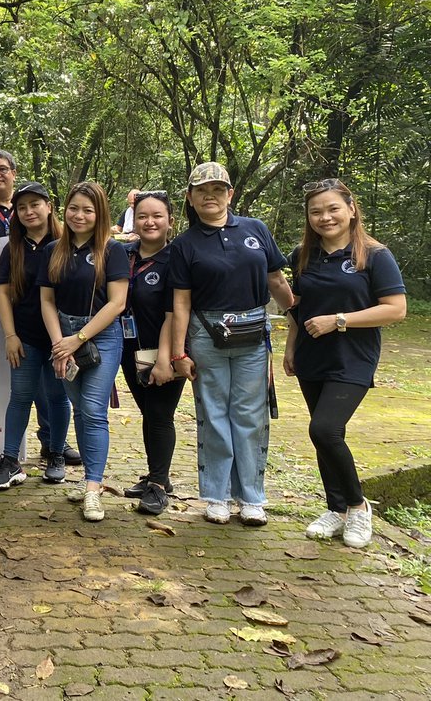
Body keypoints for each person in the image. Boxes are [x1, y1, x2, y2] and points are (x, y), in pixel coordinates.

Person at [170, 162, 294, 527]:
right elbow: (180, 302)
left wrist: (297, 316)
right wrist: (179, 352)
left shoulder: (255, 229)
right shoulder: (184, 244)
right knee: (213, 413)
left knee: (250, 415)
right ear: (190, 198)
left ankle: (252, 497)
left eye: (218, 189)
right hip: (205, 335)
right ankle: (217, 495)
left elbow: (276, 279)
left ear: (230, 193)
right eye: (201, 190)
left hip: (253, 337)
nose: (210, 195)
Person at [284, 179, 406, 549]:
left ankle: (358, 505)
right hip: (311, 356)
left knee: (324, 430)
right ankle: (335, 510)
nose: (325, 217)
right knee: (325, 438)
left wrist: (339, 320)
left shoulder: (375, 255)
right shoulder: (302, 255)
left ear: (351, 209)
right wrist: (290, 348)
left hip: (352, 358)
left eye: (333, 208)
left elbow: (395, 310)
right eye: (316, 211)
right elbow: (297, 308)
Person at [39, 181, 130, 522]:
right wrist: (59, 344)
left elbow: (118, 302)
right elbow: (47, 301)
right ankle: (89, 477)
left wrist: (77, 339)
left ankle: (93, 489)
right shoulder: (53, 250)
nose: (79, 215)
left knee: (92, 410)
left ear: (100, 214)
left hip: (100, 336)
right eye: (74, 208)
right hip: (61, 335)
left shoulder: (112, 250)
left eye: (87, 210)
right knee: (79, 408)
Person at [0, 182, 69, 491]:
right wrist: (10, 335)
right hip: (26, 338)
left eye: (35, 204)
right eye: (22, 207)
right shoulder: (14, 249)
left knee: (57, 396)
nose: (28, 211)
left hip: (62, 339)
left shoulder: (66, 244)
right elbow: (2, 293)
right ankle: (10, 460)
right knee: (20, 397)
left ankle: (56, 455)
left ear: (49, 207)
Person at [119, 191, 184, 516]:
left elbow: (177, 311)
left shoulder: (177, 259)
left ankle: (159, 485)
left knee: (160, 415)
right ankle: (156, 474)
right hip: (129, 349)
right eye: (143, 216)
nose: (150, 222)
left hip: (163, 350)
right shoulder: (123, 254)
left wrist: (166, 357)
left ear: (170, 221)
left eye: (157, 216)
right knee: (149, 411)